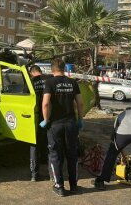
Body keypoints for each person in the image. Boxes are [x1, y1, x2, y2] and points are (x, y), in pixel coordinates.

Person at [41, 58, 84, 197]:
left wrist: (46, 119)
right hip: (71, 124)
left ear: (52, 69)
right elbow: (80, 103)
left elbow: (46, 103)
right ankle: (74, 186)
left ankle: (59, 186)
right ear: (64, 68)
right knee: (72, 155)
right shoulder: (72, 82)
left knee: (55, 155)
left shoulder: (49, 82)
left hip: (55, 125)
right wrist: (80, 119)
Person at [93, 107, 131, 193]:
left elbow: (114, 131)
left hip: (122, 134)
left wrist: (116, 147)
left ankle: (101, 181)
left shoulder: (122, 114)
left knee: (111, 155)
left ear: (126, 110)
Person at [29, 65, 52, 182]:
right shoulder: (50, 78)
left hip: (36, 116)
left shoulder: (30, 82)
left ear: (31, 73)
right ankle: (52, 173)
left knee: (34, 145)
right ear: (40, 71)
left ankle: (34, 174)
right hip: (50, 116)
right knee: (50, 144)